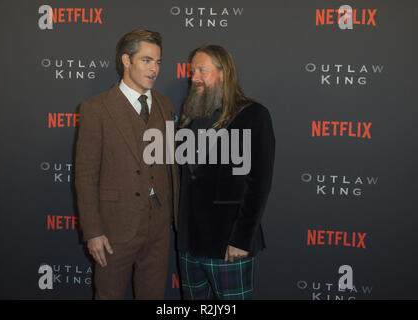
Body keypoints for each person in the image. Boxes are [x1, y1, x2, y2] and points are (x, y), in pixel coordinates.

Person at [74, 29, 179, 300]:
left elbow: (168, 166)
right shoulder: (95, 109)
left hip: (157, 229)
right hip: (114, 229)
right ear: (126, 60)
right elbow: (85, 175)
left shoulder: (165, 105)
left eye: (158, 62)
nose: (154, 68)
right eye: (146, 60)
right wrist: (93, 231)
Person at [177, 44, 275, 300]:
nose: (193, 77)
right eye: (192, 70)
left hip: (228, 245)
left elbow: (259, 186)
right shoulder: (189, 115)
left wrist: (242, 239)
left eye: (201, 70)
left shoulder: (253, 115)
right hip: (189, 245)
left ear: (223, 73)